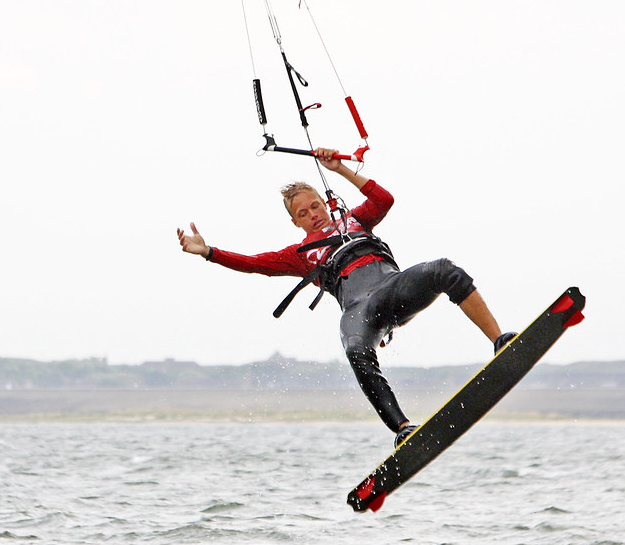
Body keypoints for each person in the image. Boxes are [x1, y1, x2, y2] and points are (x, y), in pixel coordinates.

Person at [177, 149, 515, 447]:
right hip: (359, 310)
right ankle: (403, 429)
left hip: (391, 288)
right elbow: (254, 264)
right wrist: (209, 252)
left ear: (325, 203)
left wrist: (340, 169)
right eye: (303, 213)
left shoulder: (353, 220)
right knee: (355, 350)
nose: (313, 214)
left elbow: (384, 199)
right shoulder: (298, 254)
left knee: (444, 269)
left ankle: (500, 341)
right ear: (295, 222)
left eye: (315, 206)